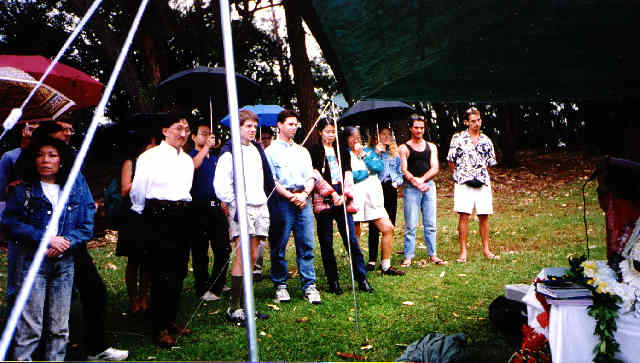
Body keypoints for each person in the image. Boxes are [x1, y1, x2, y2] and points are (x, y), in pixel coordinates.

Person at [28, 122, 128, 360]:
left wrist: (74, 234)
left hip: (72, 243)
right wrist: (45, 241)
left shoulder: (72, 161)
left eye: (71, 128)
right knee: (41, 303)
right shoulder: (30, 166)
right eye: (63, 128)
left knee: (94, 291)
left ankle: (95, 348)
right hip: (39, 246)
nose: (69, 132)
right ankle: (36, 352)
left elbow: (82, 200)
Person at [3, 137, 94, 361]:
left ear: (61, 161)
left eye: (52, 155)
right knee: (30, 328)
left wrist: (66, 241)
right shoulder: (22, 190)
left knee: (59, 328)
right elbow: (10, 223)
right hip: (32, 263)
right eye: (40, 155)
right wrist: (45, 239)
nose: (45, 160)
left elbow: (86, 225)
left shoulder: (73, 190)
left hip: (64, 264)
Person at [130, 113, 194, 347]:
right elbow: (138, 190)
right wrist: (142, 216)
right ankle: (159, 328)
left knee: (178, 271)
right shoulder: (150, 157)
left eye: (186, 129)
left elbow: (186, 189)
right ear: (165, 131)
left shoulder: (187, 160)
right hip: (157, 216)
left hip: (181, 215)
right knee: (161, 273)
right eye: (178, 128)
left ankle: (170, 320)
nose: (183, 134)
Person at [215, 109, 274, 324]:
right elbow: (221, 185)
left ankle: (248, 305)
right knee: (242, 256)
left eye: (254, 126)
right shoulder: (229, 151)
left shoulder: (256, 149)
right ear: (236, 128)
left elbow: (265, 178)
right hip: (243, 207)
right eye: (247, 126)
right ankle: (234, 308)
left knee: (253, 255)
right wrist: (235, 203)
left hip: (259, 205)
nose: (252, 130)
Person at [308, 119, 373, 294]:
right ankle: (333, 281)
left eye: (333, 132)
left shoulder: (342, 150)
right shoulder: (314, 150)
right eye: (327, 131)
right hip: (325, 198)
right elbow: (315, 175)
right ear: (320, 132)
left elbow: (348, 173)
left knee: (351, 239)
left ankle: (362, 278)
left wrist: (345, 194)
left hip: (343, 196)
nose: (331, 135)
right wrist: (331, 194)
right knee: (326, 241)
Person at [265, 109, 322, 304]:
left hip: (303, 200)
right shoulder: (270, 152)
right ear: (279, 125)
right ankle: (280, 285)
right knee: (279, 244)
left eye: (296, 124)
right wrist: (291, 196)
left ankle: (309, 285)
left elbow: (311, 176)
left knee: (306, 243)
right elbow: (272, 181)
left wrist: (305, 194)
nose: (294, 127)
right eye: (290, 124)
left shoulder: (302, 151)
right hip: (282, 201)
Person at [343, 127, 405, 276]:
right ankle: (357, 267)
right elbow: (352, 176)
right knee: (355, 232)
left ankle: (386, 265)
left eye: (358, 136)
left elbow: (378, 167)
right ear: (346, 139)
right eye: (352, 137)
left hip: (374, 197)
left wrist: (364, 155)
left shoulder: (369, 152)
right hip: (356, 196)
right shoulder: (344, 155)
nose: (356, 140)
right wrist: (367, 172)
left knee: (388, 228)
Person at [447, 107, 499, 263]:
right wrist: (459, 176)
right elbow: (451, 160)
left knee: (484, 215)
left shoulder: (486, 140)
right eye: (473, 121)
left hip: (482, 182)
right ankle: (463, 252)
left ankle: (486, 249)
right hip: (463, 181)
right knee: (464, 215)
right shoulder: (458, 138)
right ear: (466, 122)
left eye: (478, 120)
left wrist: (480, 174)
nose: (476, 124)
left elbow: (489, 162)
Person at [188, 120, 231, 301]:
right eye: (203, 133)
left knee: (223, 248)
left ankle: (218, 283)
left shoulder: (214, 159)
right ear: (194, 137)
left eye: (209, 134)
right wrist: (206, 147)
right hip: (198, 208)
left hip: (216, 207)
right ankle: (202, 287)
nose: (207, 137)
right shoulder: (190, 155)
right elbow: (194, 166)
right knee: (200, 250)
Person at [116, 131, 158, 316]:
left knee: (148, 261)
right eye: (151, 145)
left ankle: (144, 298)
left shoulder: (156, 165)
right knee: (134, 261)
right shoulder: (130, 163)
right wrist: (141, 177)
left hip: (149, 214)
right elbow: (125, 189)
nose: (153, 149)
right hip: (132, 217)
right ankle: (133, 299)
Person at [399, 115, 447, 267]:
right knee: (411, 224)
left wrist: (422, 180)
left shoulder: (431, 146)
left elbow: (435, 167)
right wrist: (415, 182)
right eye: (416, 127)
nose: (419, 130)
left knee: (430, 223)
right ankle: (408, 256)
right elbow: (404, 170)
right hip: (411, 188)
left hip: (429, 186)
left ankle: (433, 254)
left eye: (421, 127)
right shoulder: (403, 148)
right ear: (410, 128)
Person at [1, 122, 39, 310]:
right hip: (18, 225)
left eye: (38, 128)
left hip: (42, 224)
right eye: (30, 128)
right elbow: (1, 194)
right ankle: (13, 325)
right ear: (22, 130)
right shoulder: (10, 157)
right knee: (16, 279)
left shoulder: (48, 157)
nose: (33, 133)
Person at [366, 126, 403, 271]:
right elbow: (367, 168)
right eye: (383, 134)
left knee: (389, 223)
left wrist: (396, 183)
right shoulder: (371, 151)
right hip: (376, 187)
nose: (386, 137)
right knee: (374, 223)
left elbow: (400, 173)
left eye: (389, 134)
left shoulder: (395, 153)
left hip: (390, 187)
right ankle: (372, 259)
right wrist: (376, 153)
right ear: (377, 136)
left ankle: (385, 259)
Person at [254, 126, 274, 280]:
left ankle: (276, 266)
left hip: (275, 198)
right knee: (259, 236)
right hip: (259, 200)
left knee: (275, 234)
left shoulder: (274, 153)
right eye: (262, 138)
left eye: (267, 138)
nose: (264, 141)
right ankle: (256, 268)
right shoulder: (254, 153)